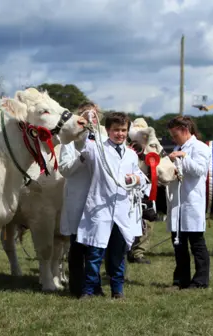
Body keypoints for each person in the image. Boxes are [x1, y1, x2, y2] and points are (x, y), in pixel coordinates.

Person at [76, 111, 149, 299]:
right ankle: (89, 290)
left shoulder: (132, 155)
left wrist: (135, 178)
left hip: (122, 210)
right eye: (116, 130)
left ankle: (117, 290)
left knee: (118, 254)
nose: (120, 134)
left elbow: (141, 177)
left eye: (123, 130)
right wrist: (90, 123)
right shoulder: (97, 148)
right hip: (100, 208)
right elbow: (85, 148)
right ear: (107, 130)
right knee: (95, 254)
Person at [59, 101, 102, 298]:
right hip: (77, 197)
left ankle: (94, 286)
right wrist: (82, 158)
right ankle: (77, 287)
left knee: (96, 246)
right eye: (86, 117)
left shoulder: (103, 138)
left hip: (99, 198)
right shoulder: (68, 141)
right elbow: (65, 169)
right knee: (77, 246)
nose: (90, 120)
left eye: (94, 116)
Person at [165, 116, 211, 289]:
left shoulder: (200, 147)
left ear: (185, 130)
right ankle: (180, 280)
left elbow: (200, 170)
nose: (173, 139)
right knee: (179, 245)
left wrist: (183, 157)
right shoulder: (179, 147)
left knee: (197, 245)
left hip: (192, 202)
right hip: (177, 202)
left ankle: (200, 281)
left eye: (175, 134)